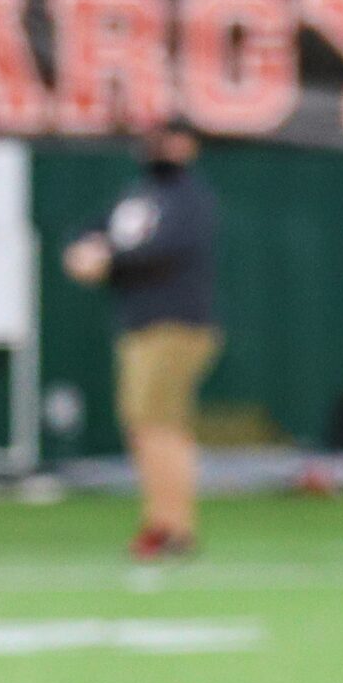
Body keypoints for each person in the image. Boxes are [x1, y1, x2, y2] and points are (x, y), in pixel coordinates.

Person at [64, 120, 218, 562]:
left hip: (174, 324)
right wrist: (85, 249)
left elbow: (161, 250)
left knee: (158, 424)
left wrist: (106, 259)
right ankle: (165, 521)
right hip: (140, 325)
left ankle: (172, 526)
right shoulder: (137, 194)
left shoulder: (189, 199)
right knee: (147, 424)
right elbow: (93, 229)